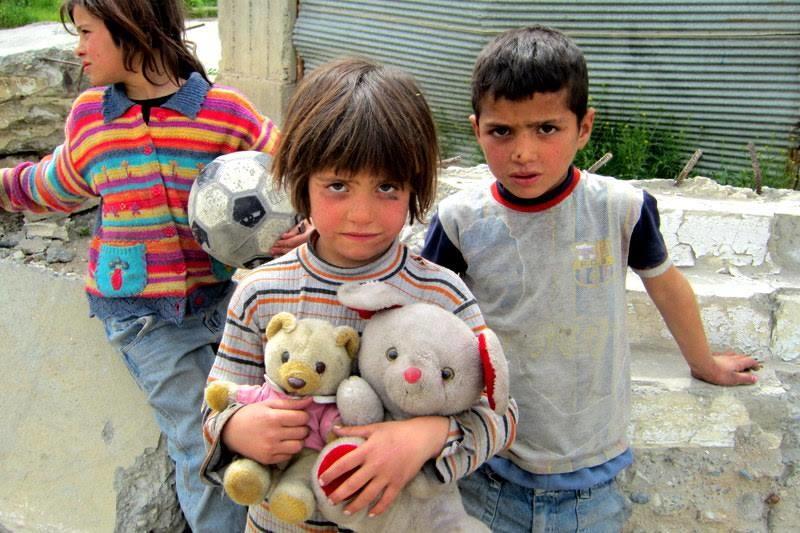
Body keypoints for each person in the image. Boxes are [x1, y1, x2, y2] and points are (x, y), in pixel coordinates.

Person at [421, 25, 761, 532]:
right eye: (501, 131)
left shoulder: (621, 210)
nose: (523, 153)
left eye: (547, 129)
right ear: (476, 129)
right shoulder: (458, 221)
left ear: (583, 128)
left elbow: (665, 286)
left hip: (591, 480)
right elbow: (425, 317)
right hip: (484, 468)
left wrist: (704, 362)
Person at [0, 1, 310, 530]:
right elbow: (54, 184)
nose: (78, 48)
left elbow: (291, 170)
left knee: (269, 416)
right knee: (201, 436)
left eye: (87, 33)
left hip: (221, 303)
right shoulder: (92, 118)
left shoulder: (224, 113)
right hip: (140, 316)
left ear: (132, 29)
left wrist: (304, 225)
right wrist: (4, 188)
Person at [201, 57, 518, 532]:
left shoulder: (439, 292)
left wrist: (425, 436)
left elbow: (502, 415)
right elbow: (214, 403)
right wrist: (238, 429)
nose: (362, 214)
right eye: (338, 185)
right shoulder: (261, 293)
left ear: (415, 186)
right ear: (300, 180)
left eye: (387, 187)